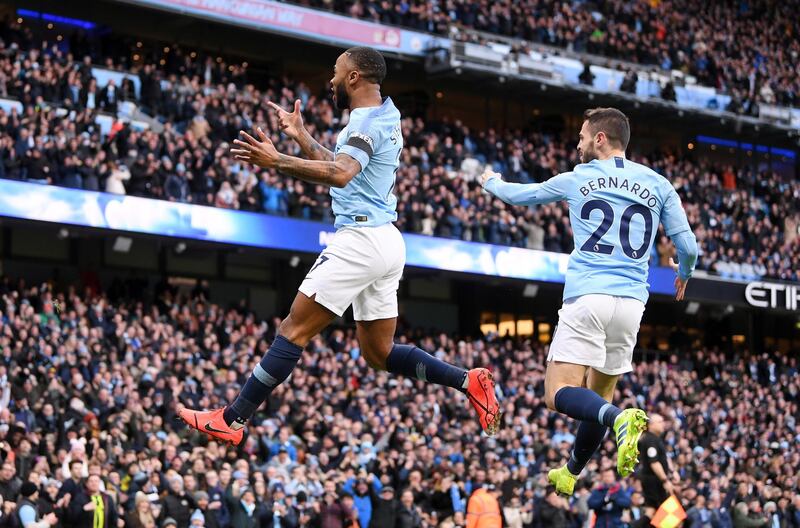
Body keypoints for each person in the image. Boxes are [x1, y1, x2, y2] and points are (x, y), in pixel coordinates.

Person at [179, 46, 500, 444]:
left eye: (335, 71)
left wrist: (277, 160)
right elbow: (346, 164)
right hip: (385, 240)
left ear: (353, 77)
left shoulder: (364, 122)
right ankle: (467, 380)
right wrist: (301, 137)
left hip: (360, 240)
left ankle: (233, 419)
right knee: (379, 354)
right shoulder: (386, 113)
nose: (330, 79)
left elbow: (342, 173)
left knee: (293, 329)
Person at [482, 107, 698, 494]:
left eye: (582, 136)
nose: (578, 143)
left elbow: (521, 196)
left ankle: (619, 419)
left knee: (558, 393)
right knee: (597, 398)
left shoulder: (579, 177)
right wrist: (683, 273)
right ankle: (572, 470)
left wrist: (490, 181)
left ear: (600, 138)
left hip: (589, 297)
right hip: (631, 305)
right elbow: (689, 246)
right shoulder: (659, 183)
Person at [638, 414, 679, 519]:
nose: (663, 424)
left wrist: (673, 471)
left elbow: (665, 457)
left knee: (654, 511)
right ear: (651, 425)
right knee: (658, 511)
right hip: (652, 480)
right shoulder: (650, 440)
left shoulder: (657, 439)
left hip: (655, 480)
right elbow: (654, 463)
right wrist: (665, 480)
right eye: (660, 422)